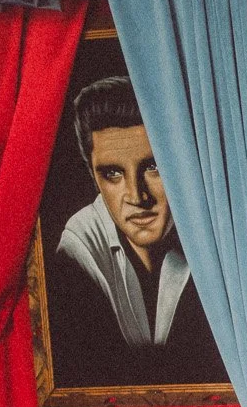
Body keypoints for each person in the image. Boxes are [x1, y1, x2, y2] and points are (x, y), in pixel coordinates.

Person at [50, 76, 227, 388]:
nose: (136, 195)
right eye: (112, 173)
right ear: (93, 176)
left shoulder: (222, 238)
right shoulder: (77, 247)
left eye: (154, 167)